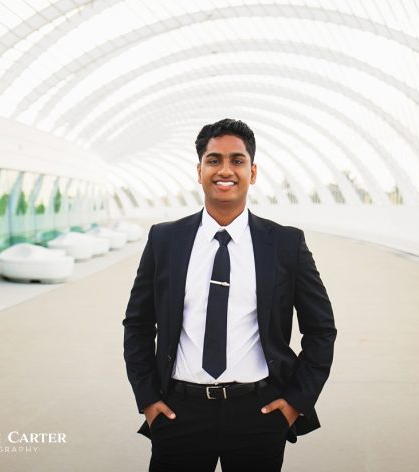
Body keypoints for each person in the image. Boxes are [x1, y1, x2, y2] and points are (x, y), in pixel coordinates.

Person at [122, 119, 337, 471]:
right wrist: (147, 398)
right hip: (179, 412)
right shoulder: (165, 240)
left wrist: (294, 403)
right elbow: (138, 323)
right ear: (199, 170)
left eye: (237, 161)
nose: (225, 170)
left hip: (259, 414)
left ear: (252, 173)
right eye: (214, 160)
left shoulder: (285, 244)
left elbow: (321, 329)